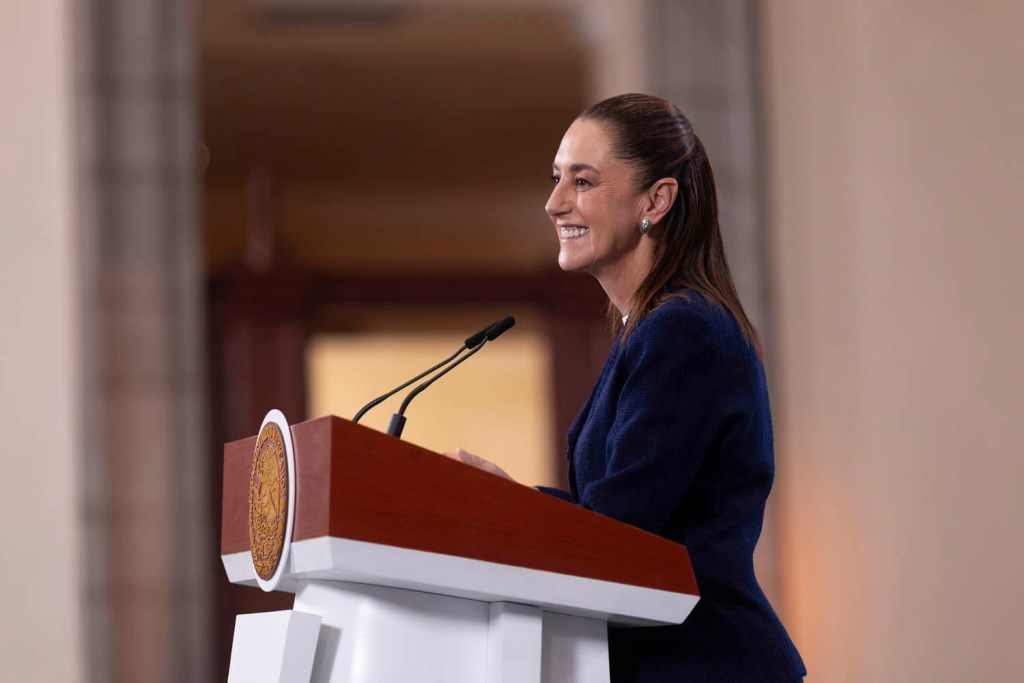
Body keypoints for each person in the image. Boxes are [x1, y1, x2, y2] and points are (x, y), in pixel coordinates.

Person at [447, 93, 806, 682]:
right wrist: (505, 499)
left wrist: (508, 507)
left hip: (704, 663)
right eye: (557, 178)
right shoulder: (652, 328)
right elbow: (616, 516)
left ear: (657, 200)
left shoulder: (682, 331)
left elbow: (620, 534)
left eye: (582, 181)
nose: (554, 202)